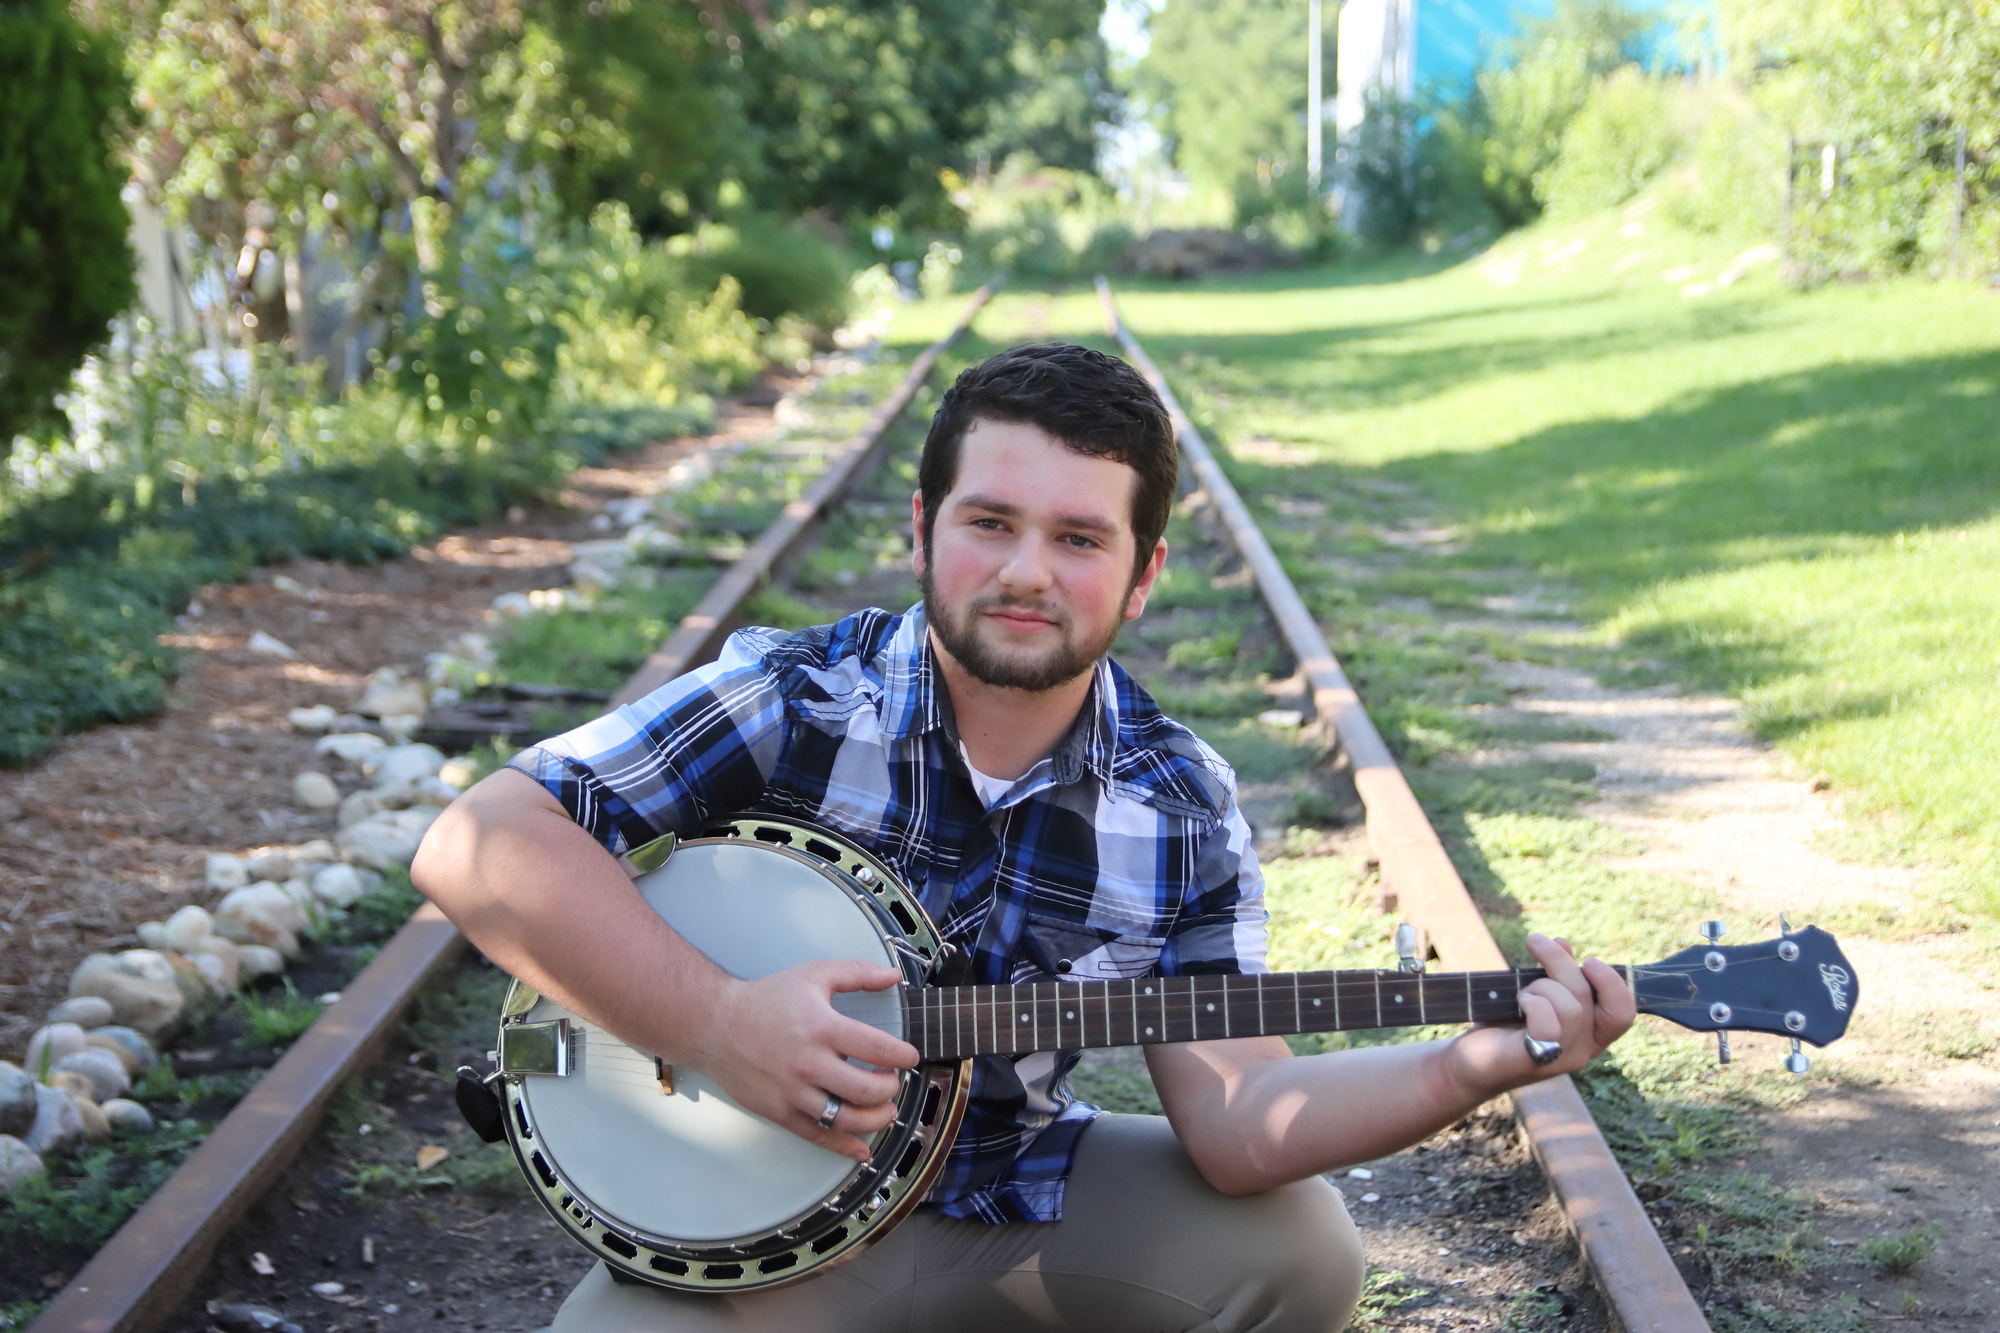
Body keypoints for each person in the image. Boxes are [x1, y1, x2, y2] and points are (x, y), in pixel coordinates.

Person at [412, 343, 1636, 1333]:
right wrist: (718, 1025)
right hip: (752, 1228)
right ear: (922, 528)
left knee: (1299, 1251)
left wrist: (1474, 1064)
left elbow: (1241, 1111)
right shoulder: (792, 699)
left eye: (1078, 538)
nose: (1025, 572)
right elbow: (476, 841)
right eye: (989, 521)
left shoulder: (1178, 798)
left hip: (1014, 1202)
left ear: (1143, 574)